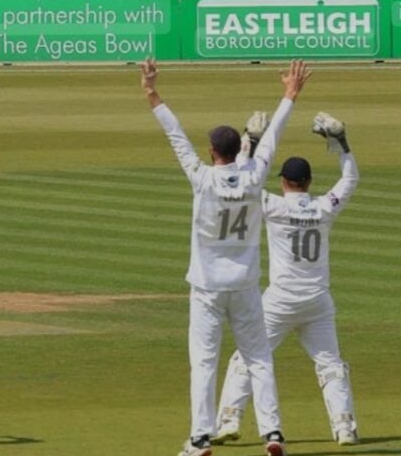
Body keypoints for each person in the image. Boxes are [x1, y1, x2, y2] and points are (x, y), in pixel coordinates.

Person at [142, 58, 312, 456]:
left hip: (206, 286)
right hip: (246, 284)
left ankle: (201, 437)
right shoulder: (254, 176)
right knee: (258, 358)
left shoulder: (201, 177)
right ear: (238, 150)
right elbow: (272, 139)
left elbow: (175, 136)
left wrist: (151, 92)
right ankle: (272, 433)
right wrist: (290, 94)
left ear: (212, 151)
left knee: (204, 362)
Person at [214, 113, 360, 447]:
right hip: (318, 302)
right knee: (330, 364)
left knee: (248, 357)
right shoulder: (325, 207)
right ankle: (344, 427)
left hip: (280, 301)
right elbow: (350, 180)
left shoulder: (273, 206)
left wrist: (248, 141)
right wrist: (342, 145)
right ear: (308, 182)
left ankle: (228, 419)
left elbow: (238, 183)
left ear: (284, 182)